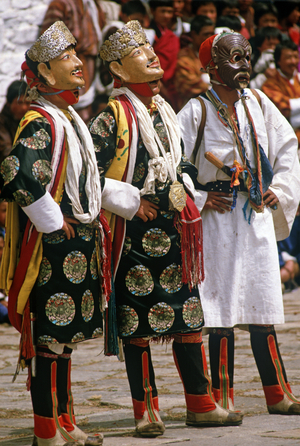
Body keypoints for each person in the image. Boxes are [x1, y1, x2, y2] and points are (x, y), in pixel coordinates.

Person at [91, 20, 243, 438]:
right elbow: (90, 175)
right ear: (119, 69)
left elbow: (182, 162)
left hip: (175, 229)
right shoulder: (110, 118)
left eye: (150, 48)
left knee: (190, 320)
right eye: (140, 51)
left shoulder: (164, 110)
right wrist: (130, 200)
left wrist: (187, 188)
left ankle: (201, 403)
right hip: (136, 236)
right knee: (138, 327)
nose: (153, 55)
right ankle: (146, 410)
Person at [178, 31, 300, 415]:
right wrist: (199, 198)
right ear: (210, 66)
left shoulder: (259, 102)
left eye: (247, 58)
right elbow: (172, 165)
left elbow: (287, 147)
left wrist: (279, 189)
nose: (244, 65)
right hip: (217, 219)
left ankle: (278, 393)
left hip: (256, 217)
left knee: (263, 303)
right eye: (234, 58)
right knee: (221, 308)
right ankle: (223, 398)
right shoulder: (195, 111)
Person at [0, 21, 105, 446]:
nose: (79, 63)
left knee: (64, 341)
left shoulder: (68, 119)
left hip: (75, 241)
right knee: (48, 339)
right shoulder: (38, 120)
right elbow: (16, 172)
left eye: (77, 56)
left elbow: (87, 178)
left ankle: (64, 422)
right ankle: (46, 429)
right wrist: (52, 220)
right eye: (67, 58)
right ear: (43, 72)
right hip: (53, 245)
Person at [40, 0, 106, 123]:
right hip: (71, 69)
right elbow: (48, 43)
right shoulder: (61, 4)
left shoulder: (94, 5)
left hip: (92, 70)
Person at [262, 40, 300, 149]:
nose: (293, 61)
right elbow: (284, 110)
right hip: (284, 142)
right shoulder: (269, 85)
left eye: (295, 57)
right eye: (288, 58)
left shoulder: (298, 79)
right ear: (278, 61)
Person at [174, 15, 214, 111]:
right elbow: (189, 86)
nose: (209, 38)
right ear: (193, 34)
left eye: (211, 34)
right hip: (193, 110)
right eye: (205, 34)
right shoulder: (184, 59)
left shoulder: (217, 56)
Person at [0, 80, 30, 164]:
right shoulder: (2, 123)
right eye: (19, 102)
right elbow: (6, 152)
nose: (24, 107)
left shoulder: (31, 121)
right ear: (9, 103)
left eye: (27, 103)